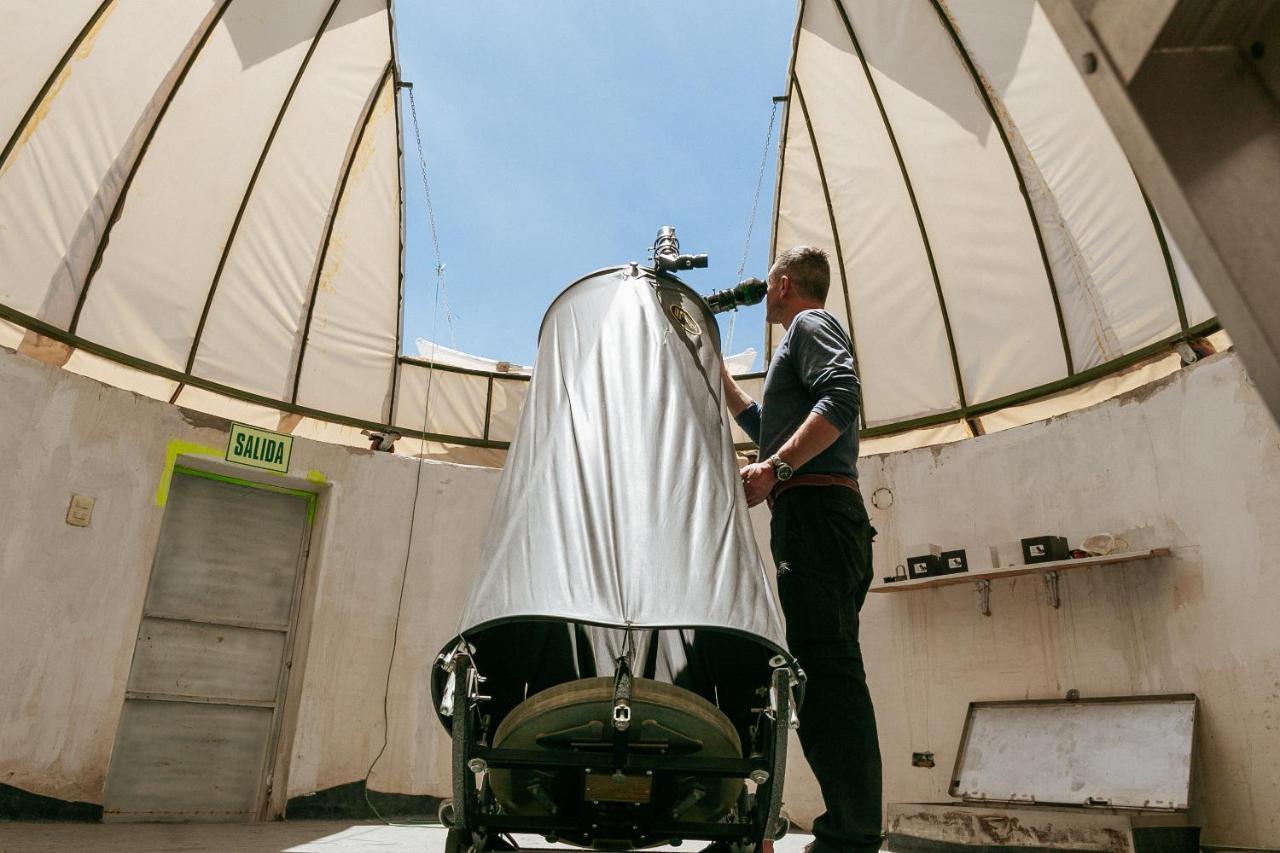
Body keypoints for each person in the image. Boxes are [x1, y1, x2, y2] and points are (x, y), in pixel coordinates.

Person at [718, 246, 882, 853]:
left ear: (784, 284)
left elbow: (840, 398)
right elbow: (772, 426)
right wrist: (727, 387)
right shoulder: (800, 338)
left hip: (816, 514)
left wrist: (776, 472)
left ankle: (851, 836)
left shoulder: (809, 325)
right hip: (820, 518)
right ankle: (852, 829)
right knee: (826, 667)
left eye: (768, 285)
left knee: (828, 672)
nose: (765, 294)